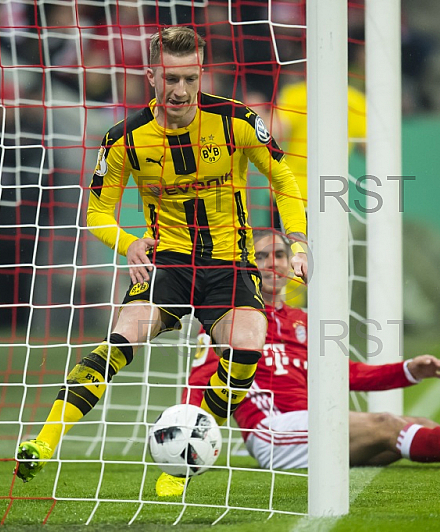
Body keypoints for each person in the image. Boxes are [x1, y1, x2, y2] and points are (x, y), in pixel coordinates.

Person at [15, 27, 309, 494]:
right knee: (120, 339)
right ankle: (44, 441)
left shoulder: (235, 121)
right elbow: (95, 213)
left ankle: (190, 453)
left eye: (190, 78)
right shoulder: (124, 139)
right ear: (152, 75)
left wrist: (297, 241)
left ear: (201, 74)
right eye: (171, 79)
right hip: (167, 262)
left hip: (228, 261)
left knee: (249, 343)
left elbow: (284, 179)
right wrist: (126, 242)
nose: (181, 90)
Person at [171, 230, 440, 495]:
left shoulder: (303, 323)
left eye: (279, 254)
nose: (273, 263)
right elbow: (199, 380)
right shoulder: (233, 322)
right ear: (245, 265)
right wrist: (188, 441)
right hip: (273, 434)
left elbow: (346, 375)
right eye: (262, 256)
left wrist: (408, 370)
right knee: (386, 424)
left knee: (420, 426)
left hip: (314, 422)